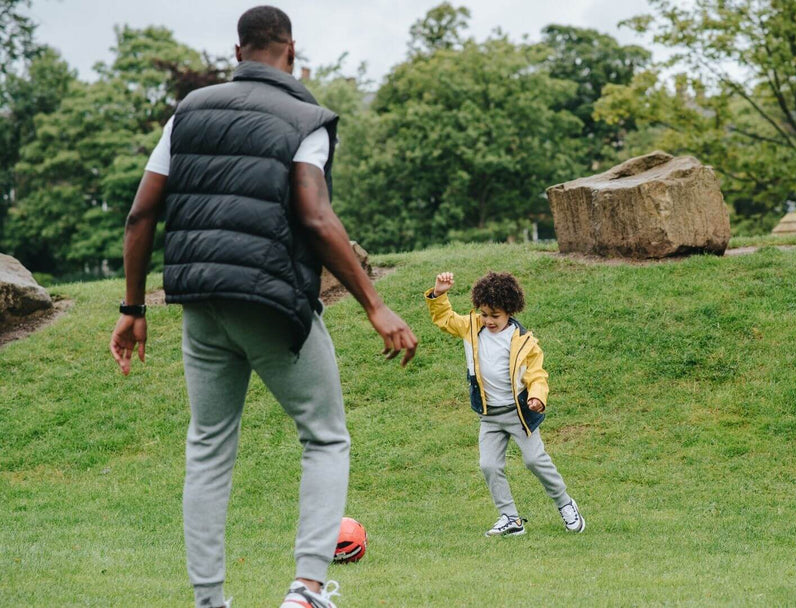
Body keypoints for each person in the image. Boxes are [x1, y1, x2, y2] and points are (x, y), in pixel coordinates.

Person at [108, 6, 418, 608]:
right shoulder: (307, 118)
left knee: (208, 446)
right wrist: (376, 306)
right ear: (291, 52)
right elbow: (315, 213)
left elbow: (141, 212)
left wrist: (132, 306)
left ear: (238, 51)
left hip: (199, 303)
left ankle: (208, 601)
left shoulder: (187, 113)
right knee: (325, 438)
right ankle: (305, 591)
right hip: (271, 301)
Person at [424, 271, 583, 537]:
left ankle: (565, 504)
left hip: (519, 415)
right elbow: (445, 319)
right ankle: (510, 517)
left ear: (509, 311)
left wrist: (537, 397)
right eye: (484, 314)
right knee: (489, 465)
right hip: (489, 416)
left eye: (495, 315)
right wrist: (439, 294)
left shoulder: (525, 342)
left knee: (534, 460)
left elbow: (537, 375)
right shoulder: (472, 327)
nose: (488, 321)